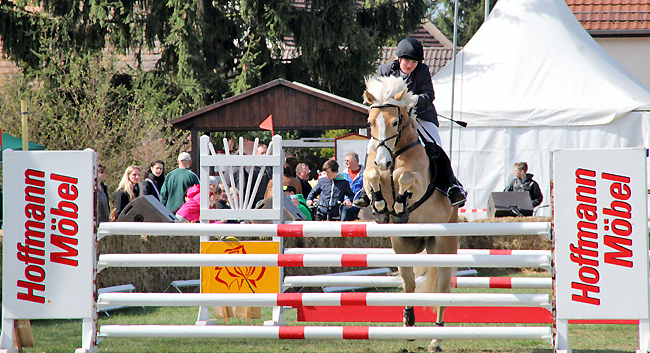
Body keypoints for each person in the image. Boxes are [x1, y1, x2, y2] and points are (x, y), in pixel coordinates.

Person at [356, 37, 466, 208]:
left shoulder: (422, 70)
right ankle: (365, 190)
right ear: (399, 58)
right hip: (391, 119)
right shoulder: (385, 69)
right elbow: (376, 96)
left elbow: (429, 95)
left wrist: (412, 100)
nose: (410, 65)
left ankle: (451, 185)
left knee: (434, 143)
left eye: (414, 61)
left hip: (419, 116)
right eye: (407, 60)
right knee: (371, 144)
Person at [341, 152, 364, 221]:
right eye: (345, 161)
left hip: (361, 208)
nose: (345, 162)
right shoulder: (343, 175)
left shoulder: (364, 174)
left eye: (347, 161)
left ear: (355, 161)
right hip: (346, 207)